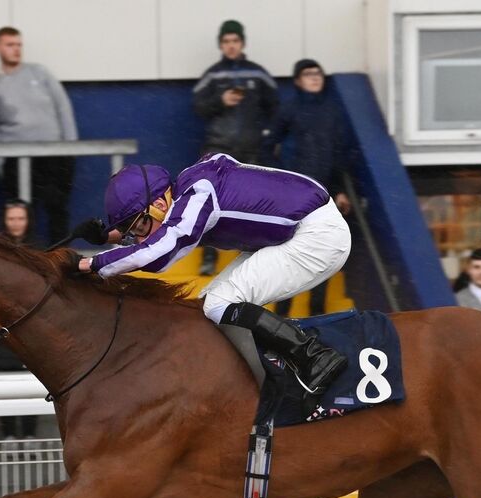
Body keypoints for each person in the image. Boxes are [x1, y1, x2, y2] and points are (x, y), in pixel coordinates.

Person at [78, 155, 350, 393]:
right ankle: (260, 382)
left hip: (319, 237)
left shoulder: (199, 194)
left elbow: (158, 251)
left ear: (159, 203)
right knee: (207, 307)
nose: (138, 238)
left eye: (138, 228)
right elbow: (159, 231)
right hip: (294, 232)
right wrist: (107, 237)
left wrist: (93, 264)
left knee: (219, 304)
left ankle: (315, 358)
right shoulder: (188, 190)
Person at [262, 58, 355, 317]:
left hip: (324, 194)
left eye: (318, 73)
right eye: (308, 74)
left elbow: (340, 153)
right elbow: (267, 147)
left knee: (323, 252)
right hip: (295, 194)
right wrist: (282, 179)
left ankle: (317, 314)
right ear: (298, 80)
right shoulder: (289, 109)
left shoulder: (332, 111)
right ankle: (281, 314)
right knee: (292, 252)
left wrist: (340, 190)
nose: (315, 77)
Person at [191, 19, 278, 276]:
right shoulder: (212, 75)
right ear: (221, 45)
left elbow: (275, 109)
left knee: (253, 204)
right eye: (226, 41)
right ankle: (209, 256)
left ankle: (251, 258)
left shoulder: (258, 74)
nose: (231, 46)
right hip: (218, 148)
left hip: (251, 150)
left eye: (235, 41)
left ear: (243, 43)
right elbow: (198, 108)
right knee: (210, 202)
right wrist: (221, 100)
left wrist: (266, 136)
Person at [0, 26, 78, 246]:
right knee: (23, 213)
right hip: (16, 160)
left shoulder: (40, 73)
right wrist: (1, 163)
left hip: (54, 155)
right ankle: (27, 259)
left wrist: (70, 148)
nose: (16, 49)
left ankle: (61, 257)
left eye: (19, 44)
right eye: (10, 44)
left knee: (57, 208)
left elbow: (63, 108)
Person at [0, 200, 40, 441]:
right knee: (4, 383)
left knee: (34, 383)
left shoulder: (38, 249)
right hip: (3, 327)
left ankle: (29, 434)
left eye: (20, 218)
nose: (16, 223)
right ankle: (8, 433)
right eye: (11, 219)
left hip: (32, 328)